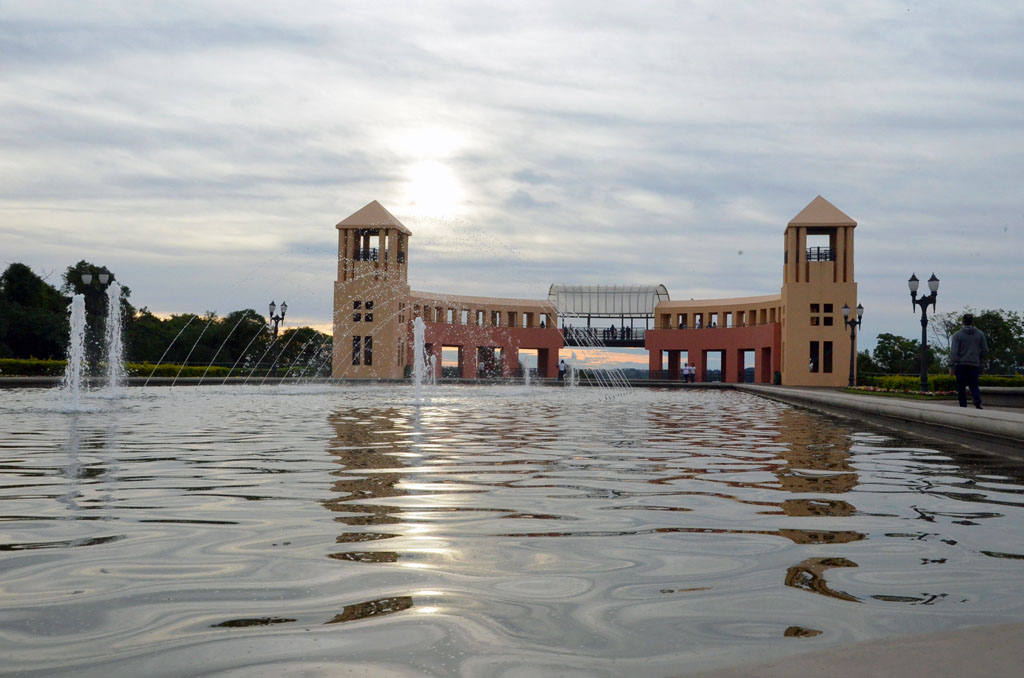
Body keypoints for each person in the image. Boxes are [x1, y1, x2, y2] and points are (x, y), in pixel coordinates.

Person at [949, 313, 988, 409]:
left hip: (961, 365)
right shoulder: (980, 334)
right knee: (974, 385)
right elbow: (985, 350)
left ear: (963, 322)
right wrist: (978, 357)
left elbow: (954, 352)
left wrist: (951, 366)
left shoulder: (957, 335)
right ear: (972, 322)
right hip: (974, 364)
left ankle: (963, 406)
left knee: (961, 387)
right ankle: (977, 400)